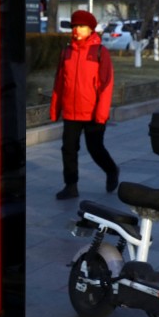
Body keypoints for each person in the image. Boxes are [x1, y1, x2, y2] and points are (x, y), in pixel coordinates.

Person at [49, 10, 119, 200]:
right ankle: (71, 186)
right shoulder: (67, 52)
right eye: (74, 26)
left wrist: (101, 114)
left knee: (95, 148)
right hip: (71, 112)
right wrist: (55, 109)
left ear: (90, 29)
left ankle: (111, 170)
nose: (76, 30)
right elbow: (59, 82)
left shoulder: (99, 52)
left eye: (81, 26)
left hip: (93, 112)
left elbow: (106, 85)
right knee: (68, 149)